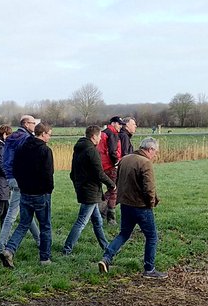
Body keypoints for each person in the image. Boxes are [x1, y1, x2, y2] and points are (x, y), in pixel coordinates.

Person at [98, 137, 164, 279]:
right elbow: (149, 188)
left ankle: (106, 258)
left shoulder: (125, 159)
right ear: (150, 149)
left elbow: (118, 181)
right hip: (141, 207)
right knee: (152, 237)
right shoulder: (145, 163)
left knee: (124, 234)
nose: (155, 155)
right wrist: (151, 203)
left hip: (125, 205)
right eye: (155, 152)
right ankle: (149, 269)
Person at [0, 122, 55, 267]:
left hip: (25, 193)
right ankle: (45, 258)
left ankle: (9, 250)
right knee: (45, 226)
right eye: (49, 134)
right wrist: (48, 190)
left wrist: (22, 185)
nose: (50, 137)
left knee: (23, 224)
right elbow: (48, 174)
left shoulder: (22, 148)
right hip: (41, 194)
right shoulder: (45, 150)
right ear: (43, 134)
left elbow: (15, 169)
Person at [61, 125, 112, 256]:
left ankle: (106, 247)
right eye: (99, 136)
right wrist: (112, 185)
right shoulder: (92, 151)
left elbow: (72, 173)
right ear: (93, 136)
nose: (100, 139)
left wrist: (78, 185)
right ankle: (67, 249)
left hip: (83, 189)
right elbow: (99, 173)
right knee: (82, 221)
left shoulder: (79, 149)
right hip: (91, 191)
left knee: (97, 221)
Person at [0, 114, 41, 254]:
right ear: (26, 124)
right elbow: (27, 160)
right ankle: (1, 246)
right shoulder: (25, 138)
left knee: (26, 211)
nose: (35, 126)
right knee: (11, 215)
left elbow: (6, 158)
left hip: (10, 177)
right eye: (33, 123)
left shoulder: (12, 137)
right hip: (20, 178)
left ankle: (40, 240)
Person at [97, 116, 124, 222]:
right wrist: (116, 163)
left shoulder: (102, 133)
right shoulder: (112, 134)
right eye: (119, 124)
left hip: (100, 166)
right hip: (110, 166)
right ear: (113, 123)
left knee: (102, 190)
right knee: (113, 190)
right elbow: (113, 151)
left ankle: (99, 212)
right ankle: (110, 217)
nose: (121, 126)